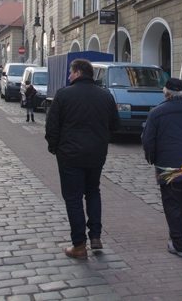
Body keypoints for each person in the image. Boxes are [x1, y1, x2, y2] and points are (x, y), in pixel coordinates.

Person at [45, 59, 120, 259]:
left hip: (70, 155)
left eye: (70, 72)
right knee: (93, 193)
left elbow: (51, 126)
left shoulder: (64, 94)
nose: (68, 76)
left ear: (78, 73)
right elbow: (115, 125)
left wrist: (55, 148)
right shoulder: (105, 95)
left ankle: (79, 245)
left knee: (74, 199)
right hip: (96, 154)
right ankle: (95, 236)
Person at [142, 78, 182, 258]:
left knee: (172, 203)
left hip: (168, 166)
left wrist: (152, 158)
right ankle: (176, 237)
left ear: (165, 92)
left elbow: (148, 140)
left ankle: (180, 243)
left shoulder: (157, 112)